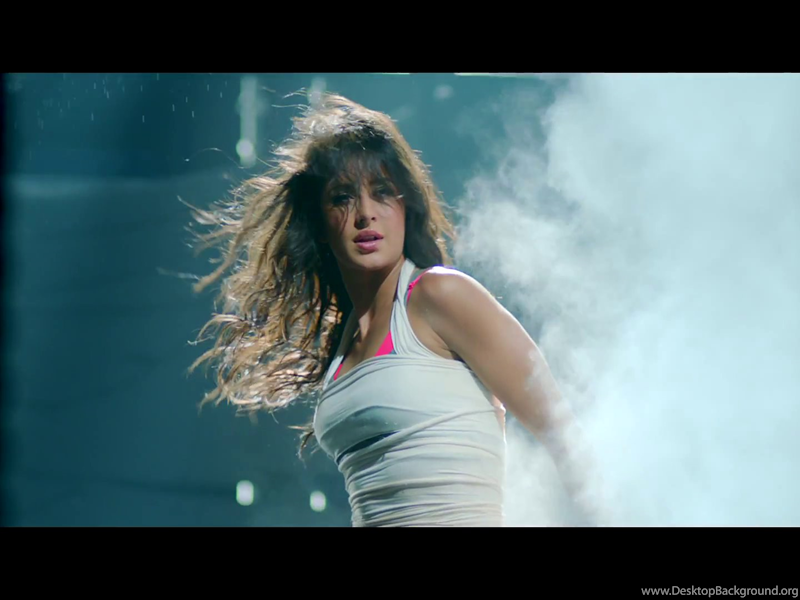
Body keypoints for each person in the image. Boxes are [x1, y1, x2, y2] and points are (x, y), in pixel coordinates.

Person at [189, 93, 601, 526]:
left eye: (382, 192)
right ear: (320, 224)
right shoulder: (344, 342)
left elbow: (564, 435)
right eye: (343, 197)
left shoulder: (440, 295)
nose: (365, 214)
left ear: (407, 207)